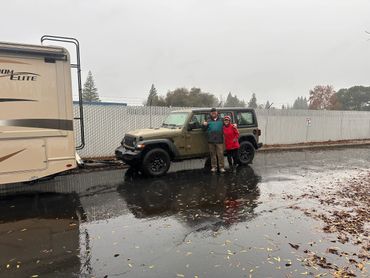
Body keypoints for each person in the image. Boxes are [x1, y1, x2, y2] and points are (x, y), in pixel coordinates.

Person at [203, 108, 225, 173]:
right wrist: (204, 125)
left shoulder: (222, 120)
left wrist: (234, 125)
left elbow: (227, 124)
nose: (213, 113)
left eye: (214, 112)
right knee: (213, 155)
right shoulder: (208, 120)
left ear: (217, 113)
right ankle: (214, 167)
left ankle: (221, 168)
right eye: (212, 112)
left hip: (219, 140)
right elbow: (204, 129)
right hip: (211, 140)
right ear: (210, 113)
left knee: (220, 154)